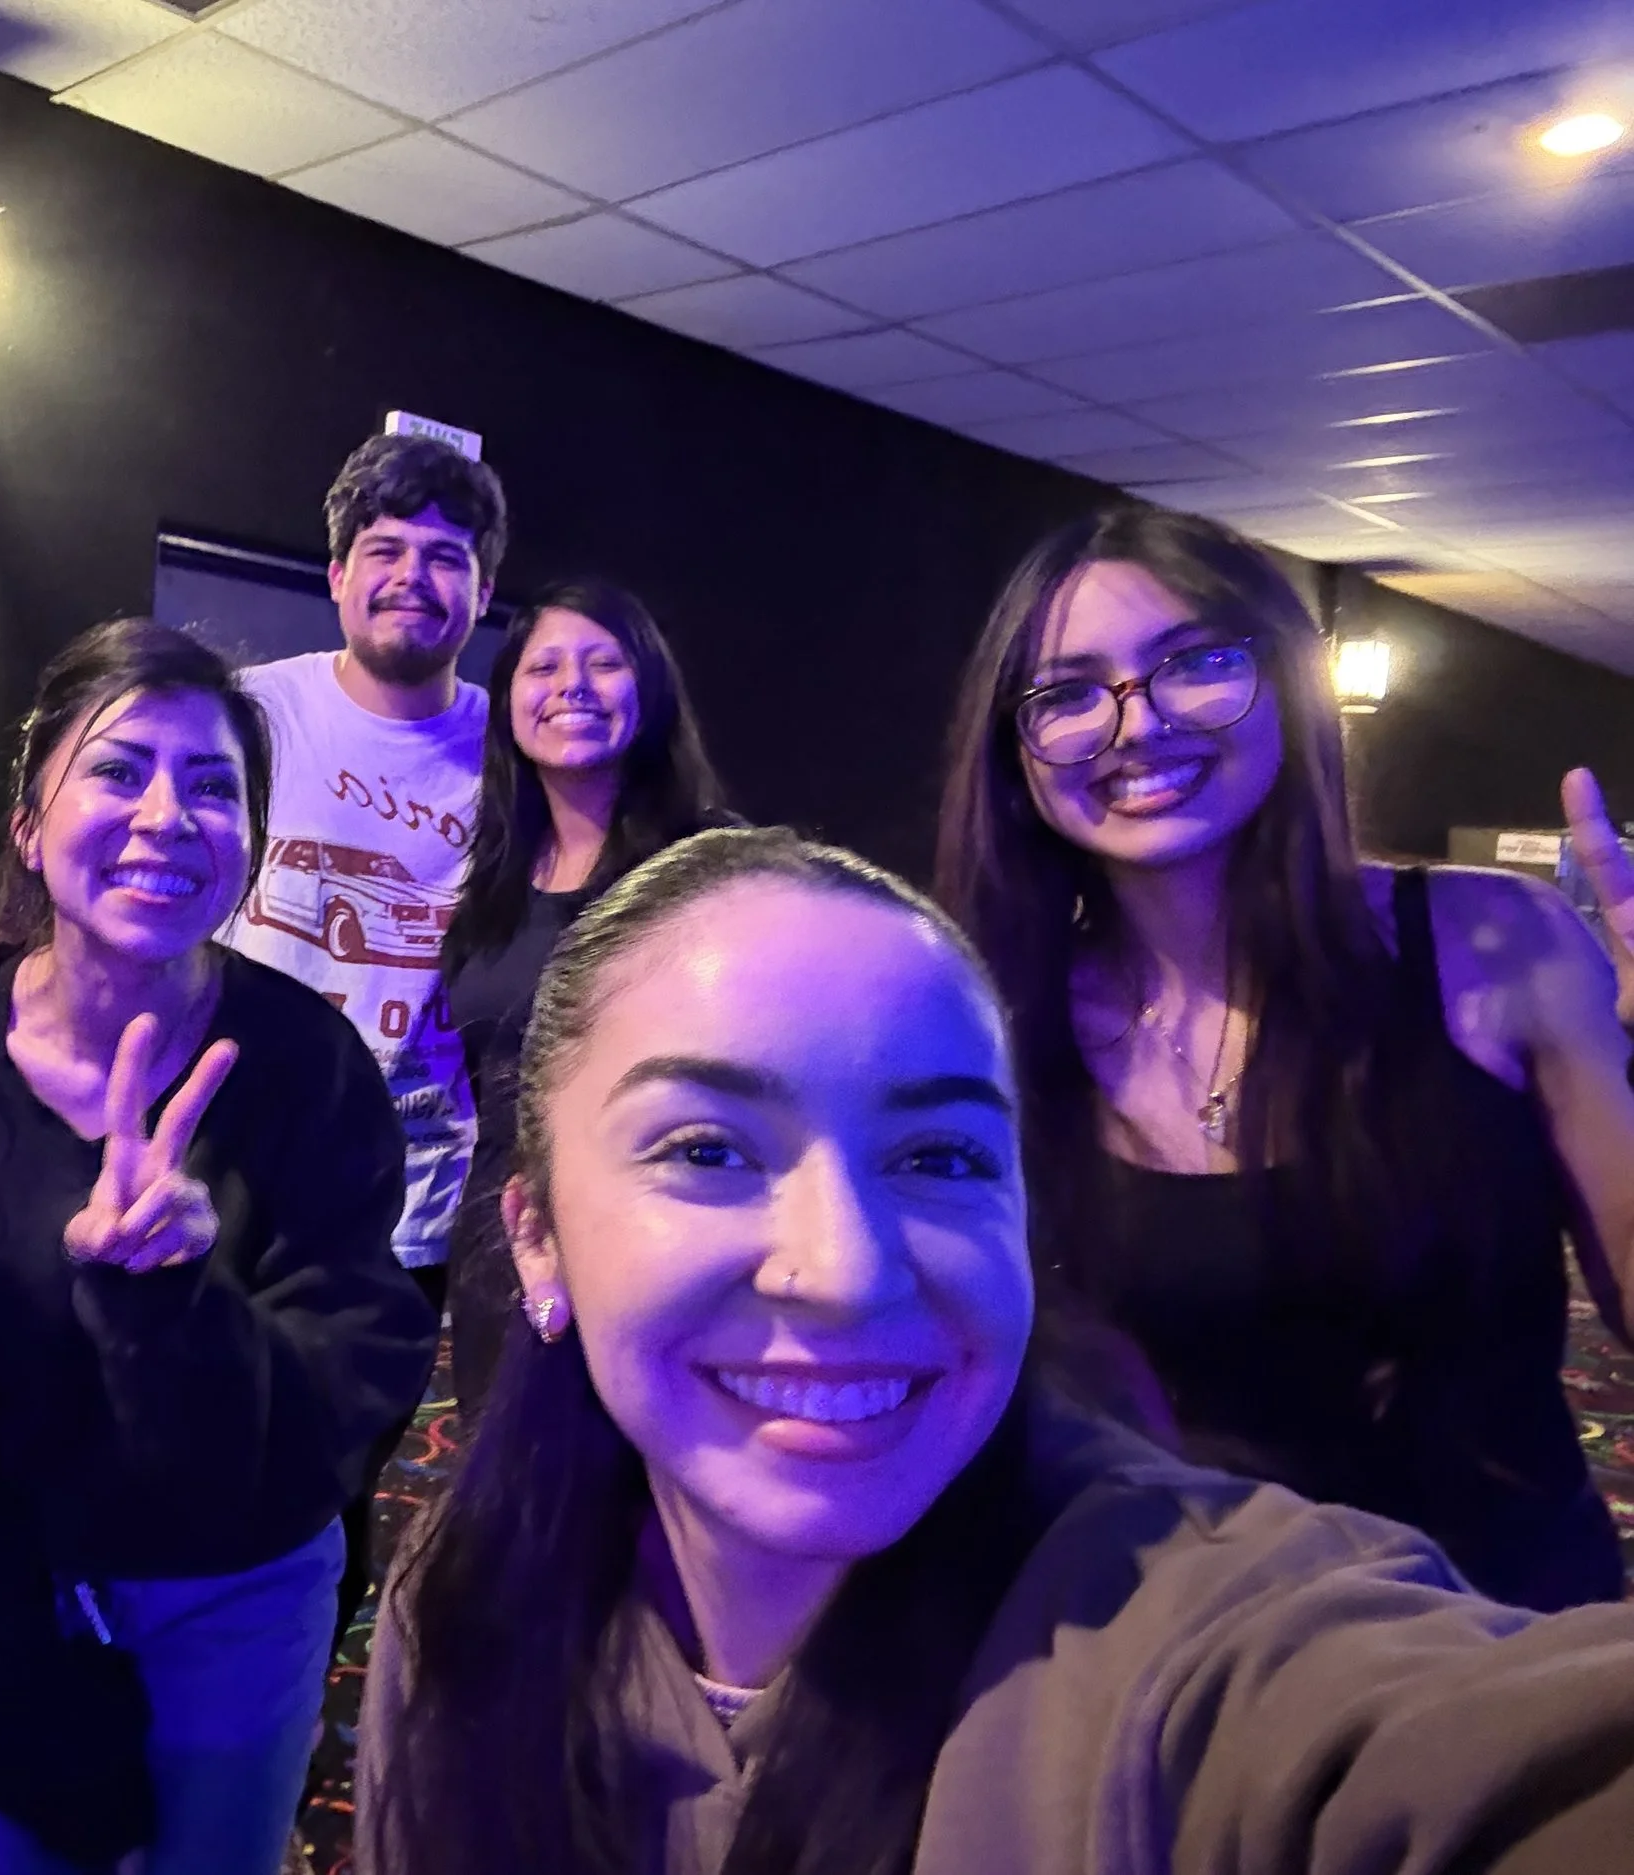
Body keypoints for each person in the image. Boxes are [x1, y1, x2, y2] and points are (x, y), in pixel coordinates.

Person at [358, 826, 1634, 1875]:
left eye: (938, 1156)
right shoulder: (458, 1598)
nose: (847, 1269)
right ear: (535, 1239)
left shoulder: (1199, 1647)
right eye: (707, 1149)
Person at [932, 505, 1634, 1613]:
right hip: (1171, 1652)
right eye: (1067, 693)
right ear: (1015, 754)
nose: (1135, 724)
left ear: (1287, 682)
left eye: (1194, 664)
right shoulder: (989, 1019)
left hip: (1500, 1635)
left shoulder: (1495, 942)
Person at [0, 619, 437, 1874]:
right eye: (117, 771)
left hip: (234, 1592)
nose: (166, 816)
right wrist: (10, 1699)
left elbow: (335, 1412)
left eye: (212, 786)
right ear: (27, 822)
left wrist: (172, 1303)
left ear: (249, 845)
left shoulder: (309, 1068)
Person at [223, 431, 509, 1639]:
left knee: (339, 1481)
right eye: (384, 550)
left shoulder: (514, 746)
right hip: (235, 1163)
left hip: (418, 1191)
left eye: (445, 557)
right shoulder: (253, 712)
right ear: (337, 574)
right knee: (207, 1445)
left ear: (482, 591)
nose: (412, 578)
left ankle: (287, 1707)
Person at [440, 579, 730, 1412]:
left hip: (654, 1238)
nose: (572, 686)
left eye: (604, 663)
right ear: (508, 702)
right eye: (544, 668)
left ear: (650, 687)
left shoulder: (710, 864)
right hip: (500, 1242)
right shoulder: (491, 883)